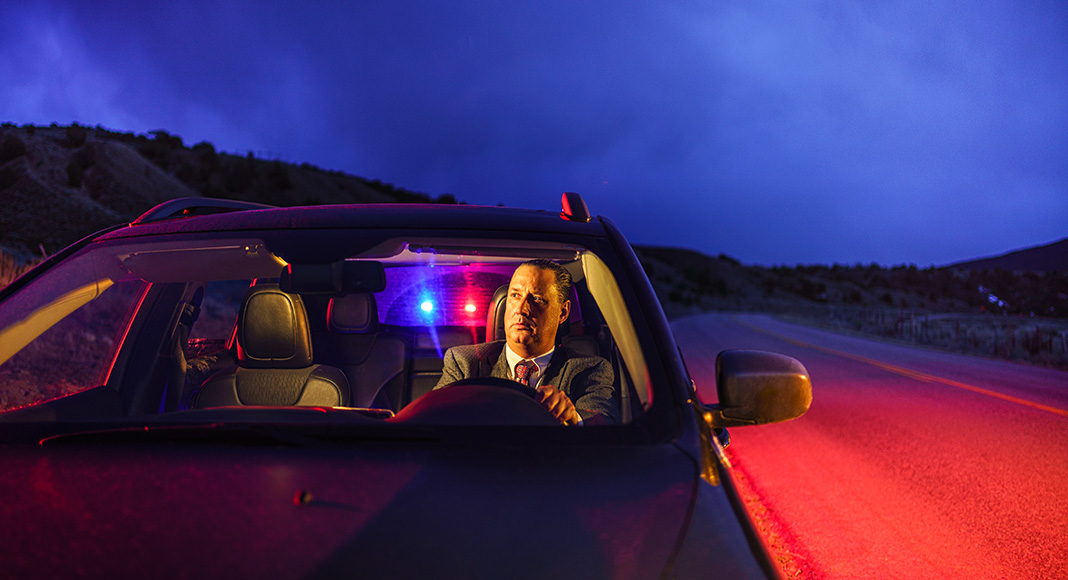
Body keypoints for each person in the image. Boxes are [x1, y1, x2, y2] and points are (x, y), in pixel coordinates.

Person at [434, 259, 618, 424]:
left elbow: (604, 423)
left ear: (562, 313)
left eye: (537, 299)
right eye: (515, 295)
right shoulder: (464, 362)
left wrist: (574, 418)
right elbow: (431, 417)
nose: (521, 309)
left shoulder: (588, 369)